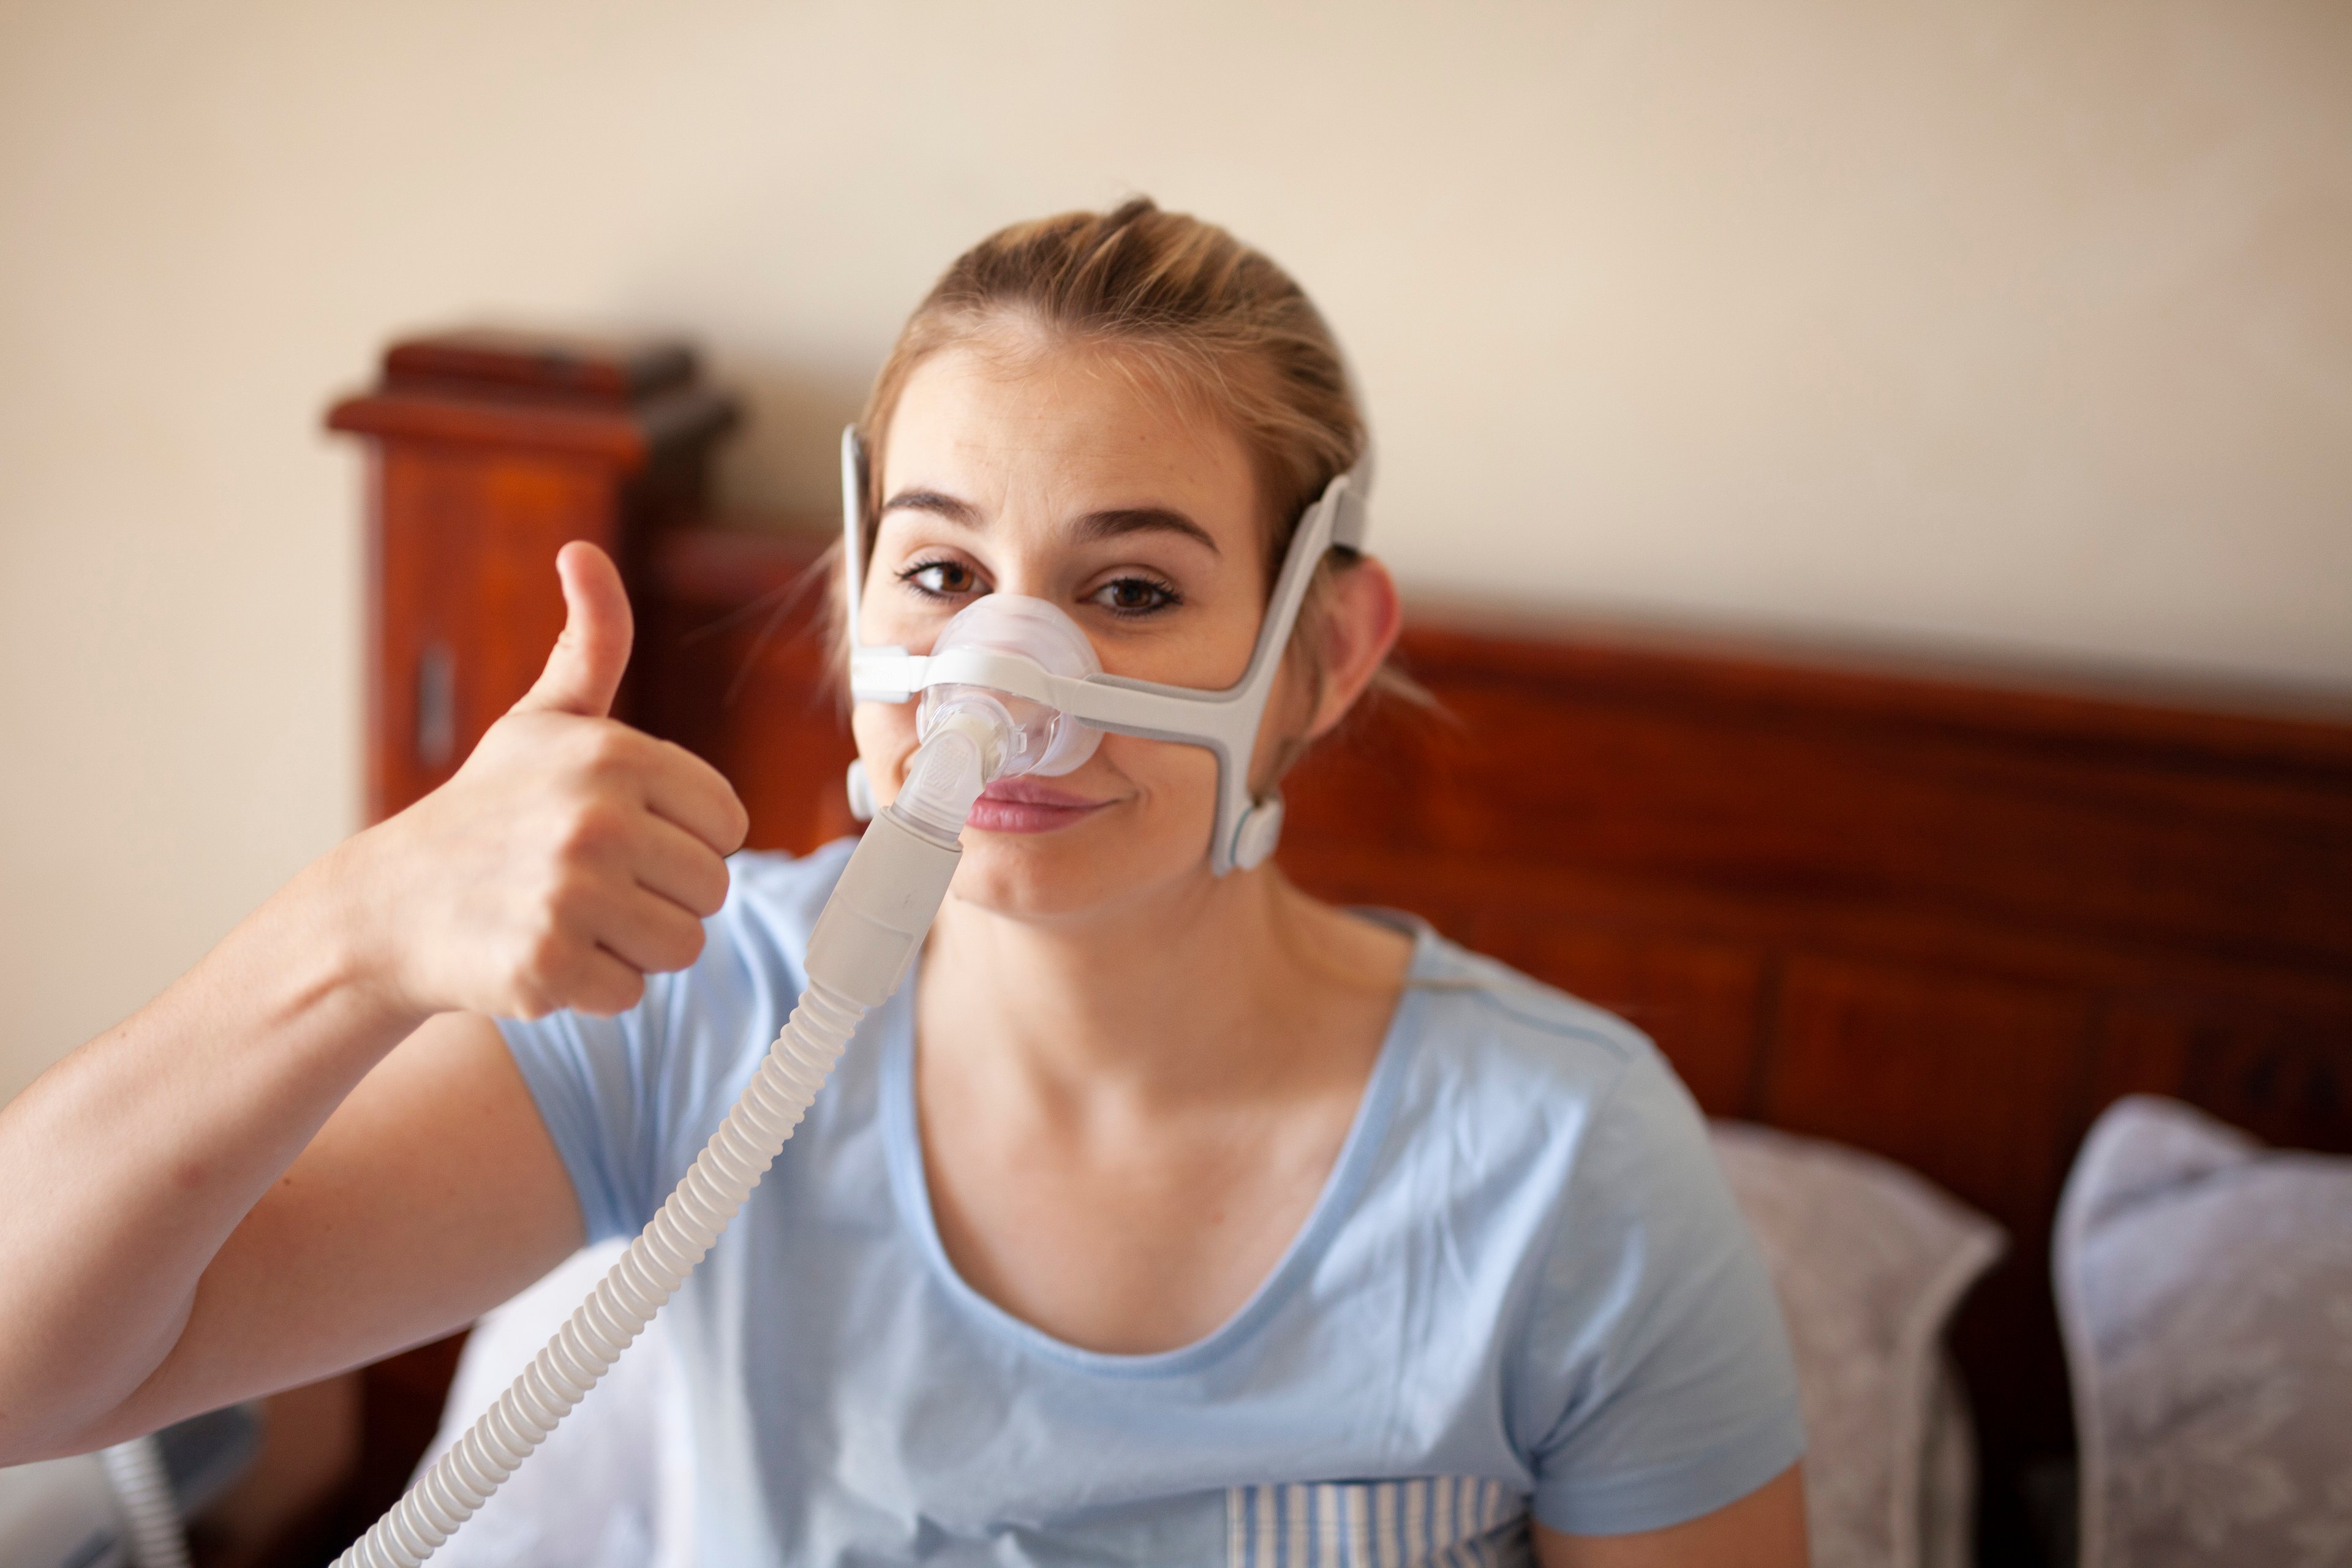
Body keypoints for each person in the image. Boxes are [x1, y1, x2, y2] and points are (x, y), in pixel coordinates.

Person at [0, 199, 1807, 1566]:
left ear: (1325, 651)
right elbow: (28, 1379)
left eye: (1130, 592)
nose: (1003, 685)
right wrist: (351, 939)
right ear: (859, 594)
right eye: (942, 577)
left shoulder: (1566, 1177)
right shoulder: (690, 1022)